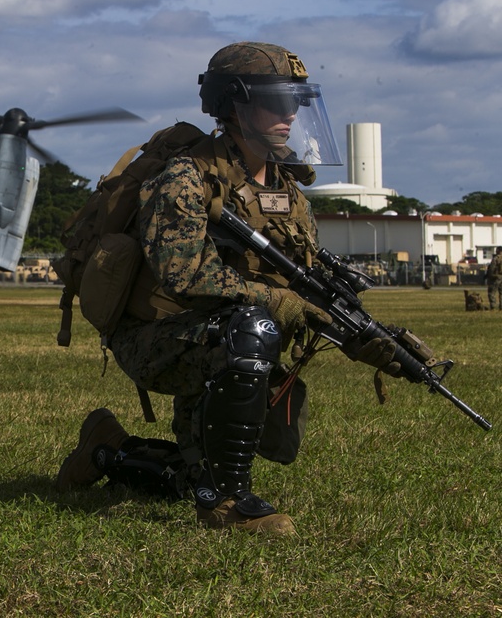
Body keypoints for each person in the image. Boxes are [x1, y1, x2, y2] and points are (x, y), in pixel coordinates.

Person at [56, 42, 401, 535]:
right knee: (254, 328)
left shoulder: (287, 189)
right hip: (157, 334)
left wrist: (359, 336)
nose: (291, 113)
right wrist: (275, 301)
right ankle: (227, 503)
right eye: (277, 100)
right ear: (235, 104)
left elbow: (302, 283)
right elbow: (183, 273)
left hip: (222, 332)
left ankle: (109, 450)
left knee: (191, 474)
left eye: (296, 101)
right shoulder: (185, 177)